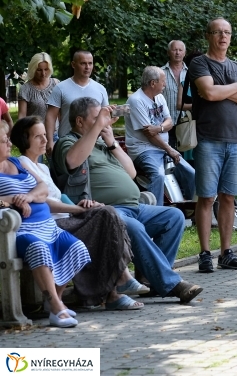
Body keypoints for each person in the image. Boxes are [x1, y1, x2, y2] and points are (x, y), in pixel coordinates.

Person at [52, 97, 203, 303]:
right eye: (97, 117)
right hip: (107, 212)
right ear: (80, 121)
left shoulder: (102, 143)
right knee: (134, 227)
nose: (103, 121)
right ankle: (171, 284)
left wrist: (112, 143)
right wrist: (98, 128)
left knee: (174, 217)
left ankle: (150, 279)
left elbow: (131, 173)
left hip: (134, 206)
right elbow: (71, 161)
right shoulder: (67, 142)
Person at [11, 116, 146, 310]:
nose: (45, 140)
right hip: (49, 225)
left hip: (64, 219)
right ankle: (118, 284)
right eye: (37, 137)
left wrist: (82, 204)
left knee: (104, 214)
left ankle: (116, 289)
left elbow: (58, 197)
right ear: (25, 140)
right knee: (105, 215)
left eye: (44, 135)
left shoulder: (42, 167)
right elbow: (43, 203)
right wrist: (78, 210)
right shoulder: (23, 164)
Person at [0, 121, 91, 327]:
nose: (8, 143)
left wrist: (29, 196)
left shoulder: (17, 162)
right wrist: (12, 200)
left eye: (7, 139)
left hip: (47, 225)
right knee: (39, 249)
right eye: (3, 141)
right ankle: (57, 308)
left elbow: (42, 186)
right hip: (21, 231)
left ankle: (55, 302)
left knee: (77, 248)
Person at [188, 18, 237, 272]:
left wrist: (226, 88)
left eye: (227, 32)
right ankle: (205, 253)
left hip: (235, 141)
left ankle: (226, 252)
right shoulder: (199, 63)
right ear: (208, 36)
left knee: (228, 197)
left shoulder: (236, 66)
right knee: (206, 198)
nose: (223, 37)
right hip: (208, 141)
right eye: (218, 32)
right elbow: (209, 93)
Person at [124, 67, 196, 206]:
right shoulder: (136, 101)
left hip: (163, 148)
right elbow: (149, 136)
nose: (165, 85)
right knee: (158, 176)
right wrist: (169, 149)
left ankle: (190, 209)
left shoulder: (159, 97)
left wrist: (159, 128)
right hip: (144, 150)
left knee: (191, 173)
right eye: (163, 82)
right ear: (152, 83)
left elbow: (170, 122)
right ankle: (157, 213)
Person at [45, 50, 108, 157]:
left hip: (95, 143)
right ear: (73, 65)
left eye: (90, 63)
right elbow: (51, 116)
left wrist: (108, 139)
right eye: (83, 63)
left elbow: (105, 116)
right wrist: (49, 140)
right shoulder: (61, 88)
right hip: (68, 143)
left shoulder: (100, 89)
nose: (87, 67)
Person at [161, 40, 191, 147]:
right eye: (174, 50)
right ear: (168, 52)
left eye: (180, 50)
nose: (177, 53)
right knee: (168, 157)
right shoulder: (160, 73)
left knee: (186, 158)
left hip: (187, 123)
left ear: (184, 53)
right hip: (165, 123)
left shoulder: (192, 73)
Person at [18, 53, 60, 123]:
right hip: (35, 132)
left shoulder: (56, 84)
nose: (43, 73)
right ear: (33, 69)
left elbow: (62, 111)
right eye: (39, 70)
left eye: (46, 69)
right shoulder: (25, 89)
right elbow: (22, 116)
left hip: (56, 132)